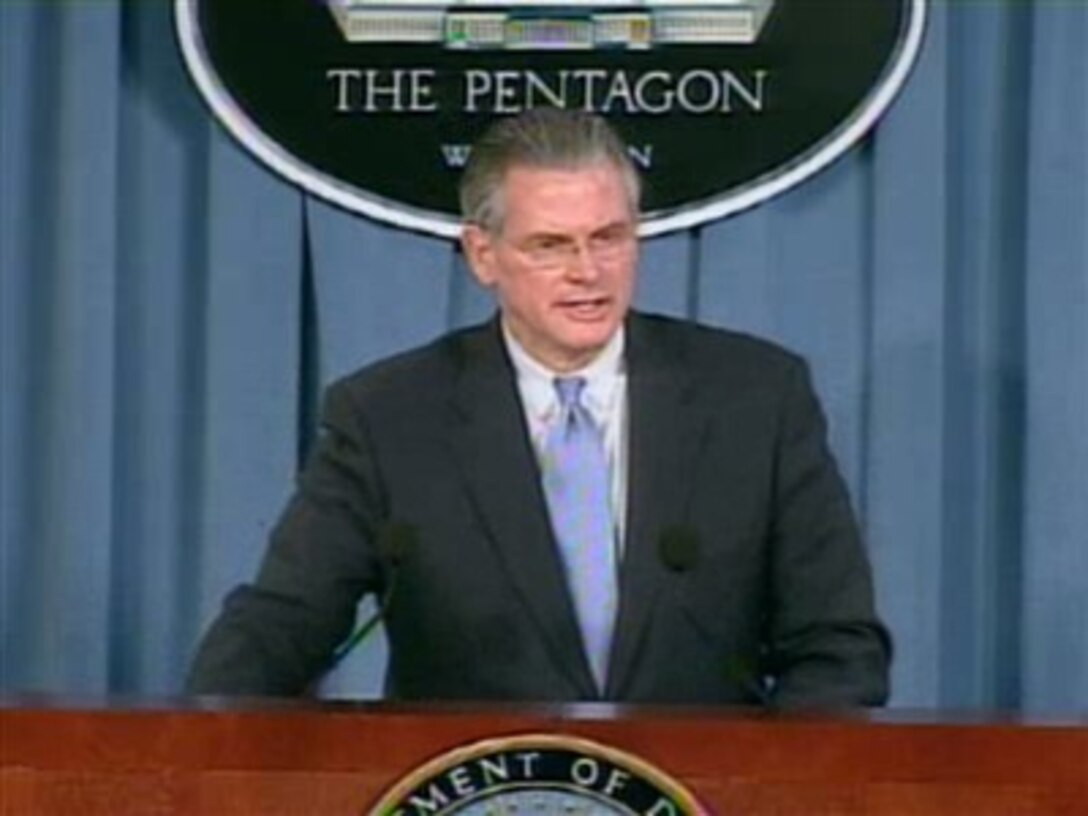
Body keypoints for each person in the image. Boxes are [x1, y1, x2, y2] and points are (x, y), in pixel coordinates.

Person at [187, 108, 891, 706]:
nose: (588, 271)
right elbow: (283, 623)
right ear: (483, 255)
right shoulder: (390, 417)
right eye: (551, 246)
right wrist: (196, 749)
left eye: (609, 238)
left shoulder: (756, 398)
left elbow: (836, 645)